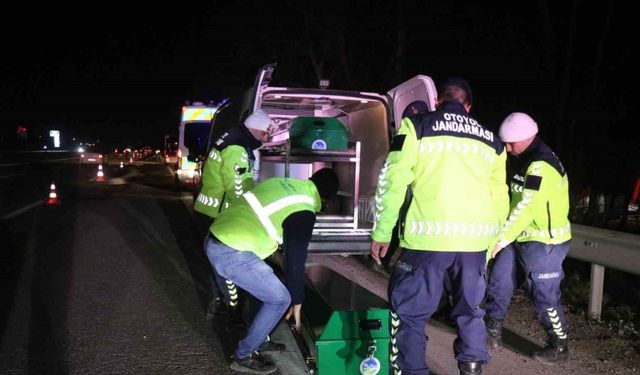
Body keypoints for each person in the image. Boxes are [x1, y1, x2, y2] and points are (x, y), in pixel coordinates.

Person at [370, 77, 509, 375]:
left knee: (410, 315)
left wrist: (382, 233)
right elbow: (500, 196)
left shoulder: (417, 126)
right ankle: (471, 370)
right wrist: (494, 241)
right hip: (474, 246)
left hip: (426, 242)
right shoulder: (492, 141)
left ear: (437, 102)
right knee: (470, 312)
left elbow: (392, 182)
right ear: (468, 107)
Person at [204, 168, 339, 374]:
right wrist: (297, 298)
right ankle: (243, 356)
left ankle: (259, 339)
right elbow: (295, 257)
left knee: (268, 281)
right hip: (232, 251)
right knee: (279, 299)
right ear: (325, 199)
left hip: (216, 236)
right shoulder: (305, 210)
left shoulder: (281, 183)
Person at [485, 112, 572, 365]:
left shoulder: (541, 165)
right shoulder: (522, 158)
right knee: (499, 282)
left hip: (544, 242)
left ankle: (559, 345)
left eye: (511, 143)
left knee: (543, 295)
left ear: (527, 137)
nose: (507, 148)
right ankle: (491, 331)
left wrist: (501, 239)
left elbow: (527, 207)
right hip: (519, 235)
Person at [194, 109, 271, 319]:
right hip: (220, 211)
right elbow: (236, 187)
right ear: (256, 129)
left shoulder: (234, 137)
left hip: (212, 208)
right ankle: (230, 309)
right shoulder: (237, 147)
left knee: (217, 260)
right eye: (266, 134)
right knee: (224, 261)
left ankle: (220, 300)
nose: (267, 138)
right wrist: (248, 213)